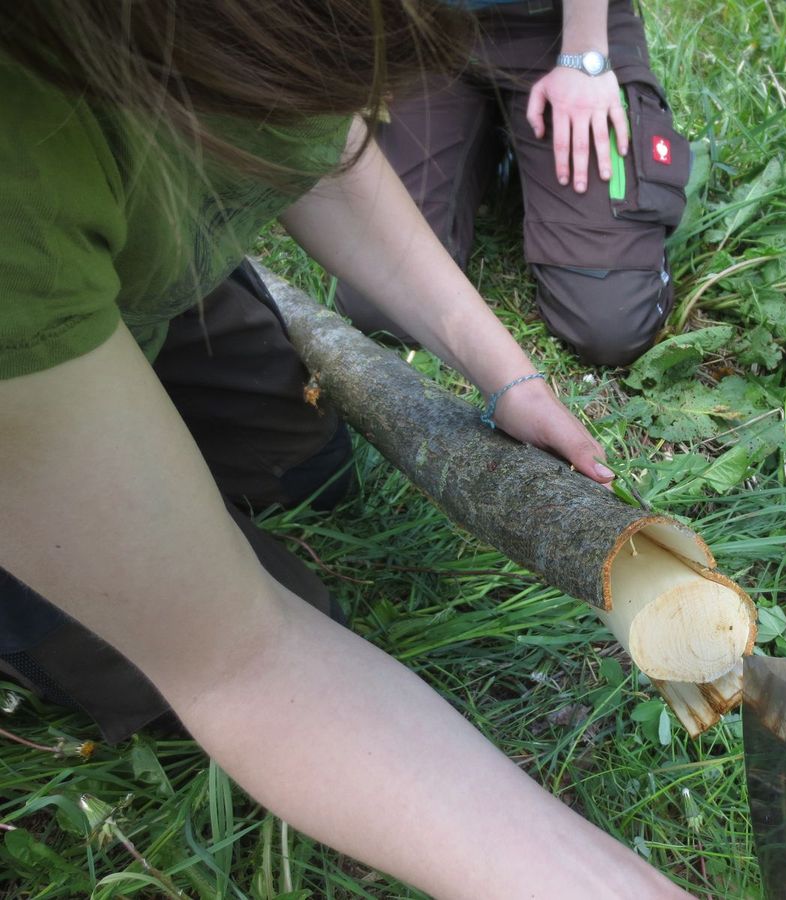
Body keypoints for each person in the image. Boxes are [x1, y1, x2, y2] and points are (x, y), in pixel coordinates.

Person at [0, 2, 690, 897]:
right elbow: (246, 662)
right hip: (35, 307)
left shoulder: (262, 42)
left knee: (308, 472)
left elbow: (320, 144)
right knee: (232, 650)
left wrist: (506, 376)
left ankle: (143, 281)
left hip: (117, 248)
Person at [333, 0, 692, 367]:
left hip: (555, 27)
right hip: (424, 29)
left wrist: (584, 57)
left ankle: (533, 155)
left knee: (611, 322)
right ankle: (489, 144)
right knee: (380, 307)